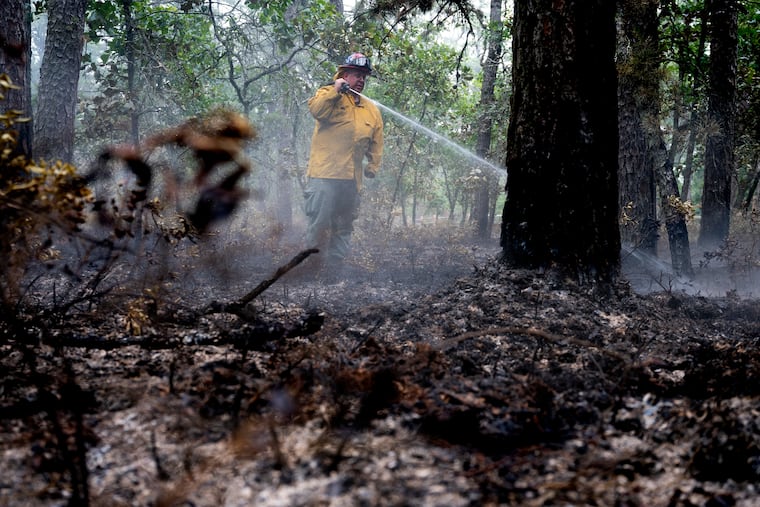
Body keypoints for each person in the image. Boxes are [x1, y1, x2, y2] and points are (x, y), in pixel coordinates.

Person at [303, 52, 384, 278]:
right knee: (318, 224)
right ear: (344, 75)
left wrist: (373, 166)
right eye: (357, 75)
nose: (361, 80)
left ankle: (333, 271)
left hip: (351, 179)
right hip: (324, 175)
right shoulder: (328, 94)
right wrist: (335, 90)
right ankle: (310, 269)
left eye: (364, 76)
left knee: (343, 226)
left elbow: (377, 142)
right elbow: (316, 110)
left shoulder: (371, 109)